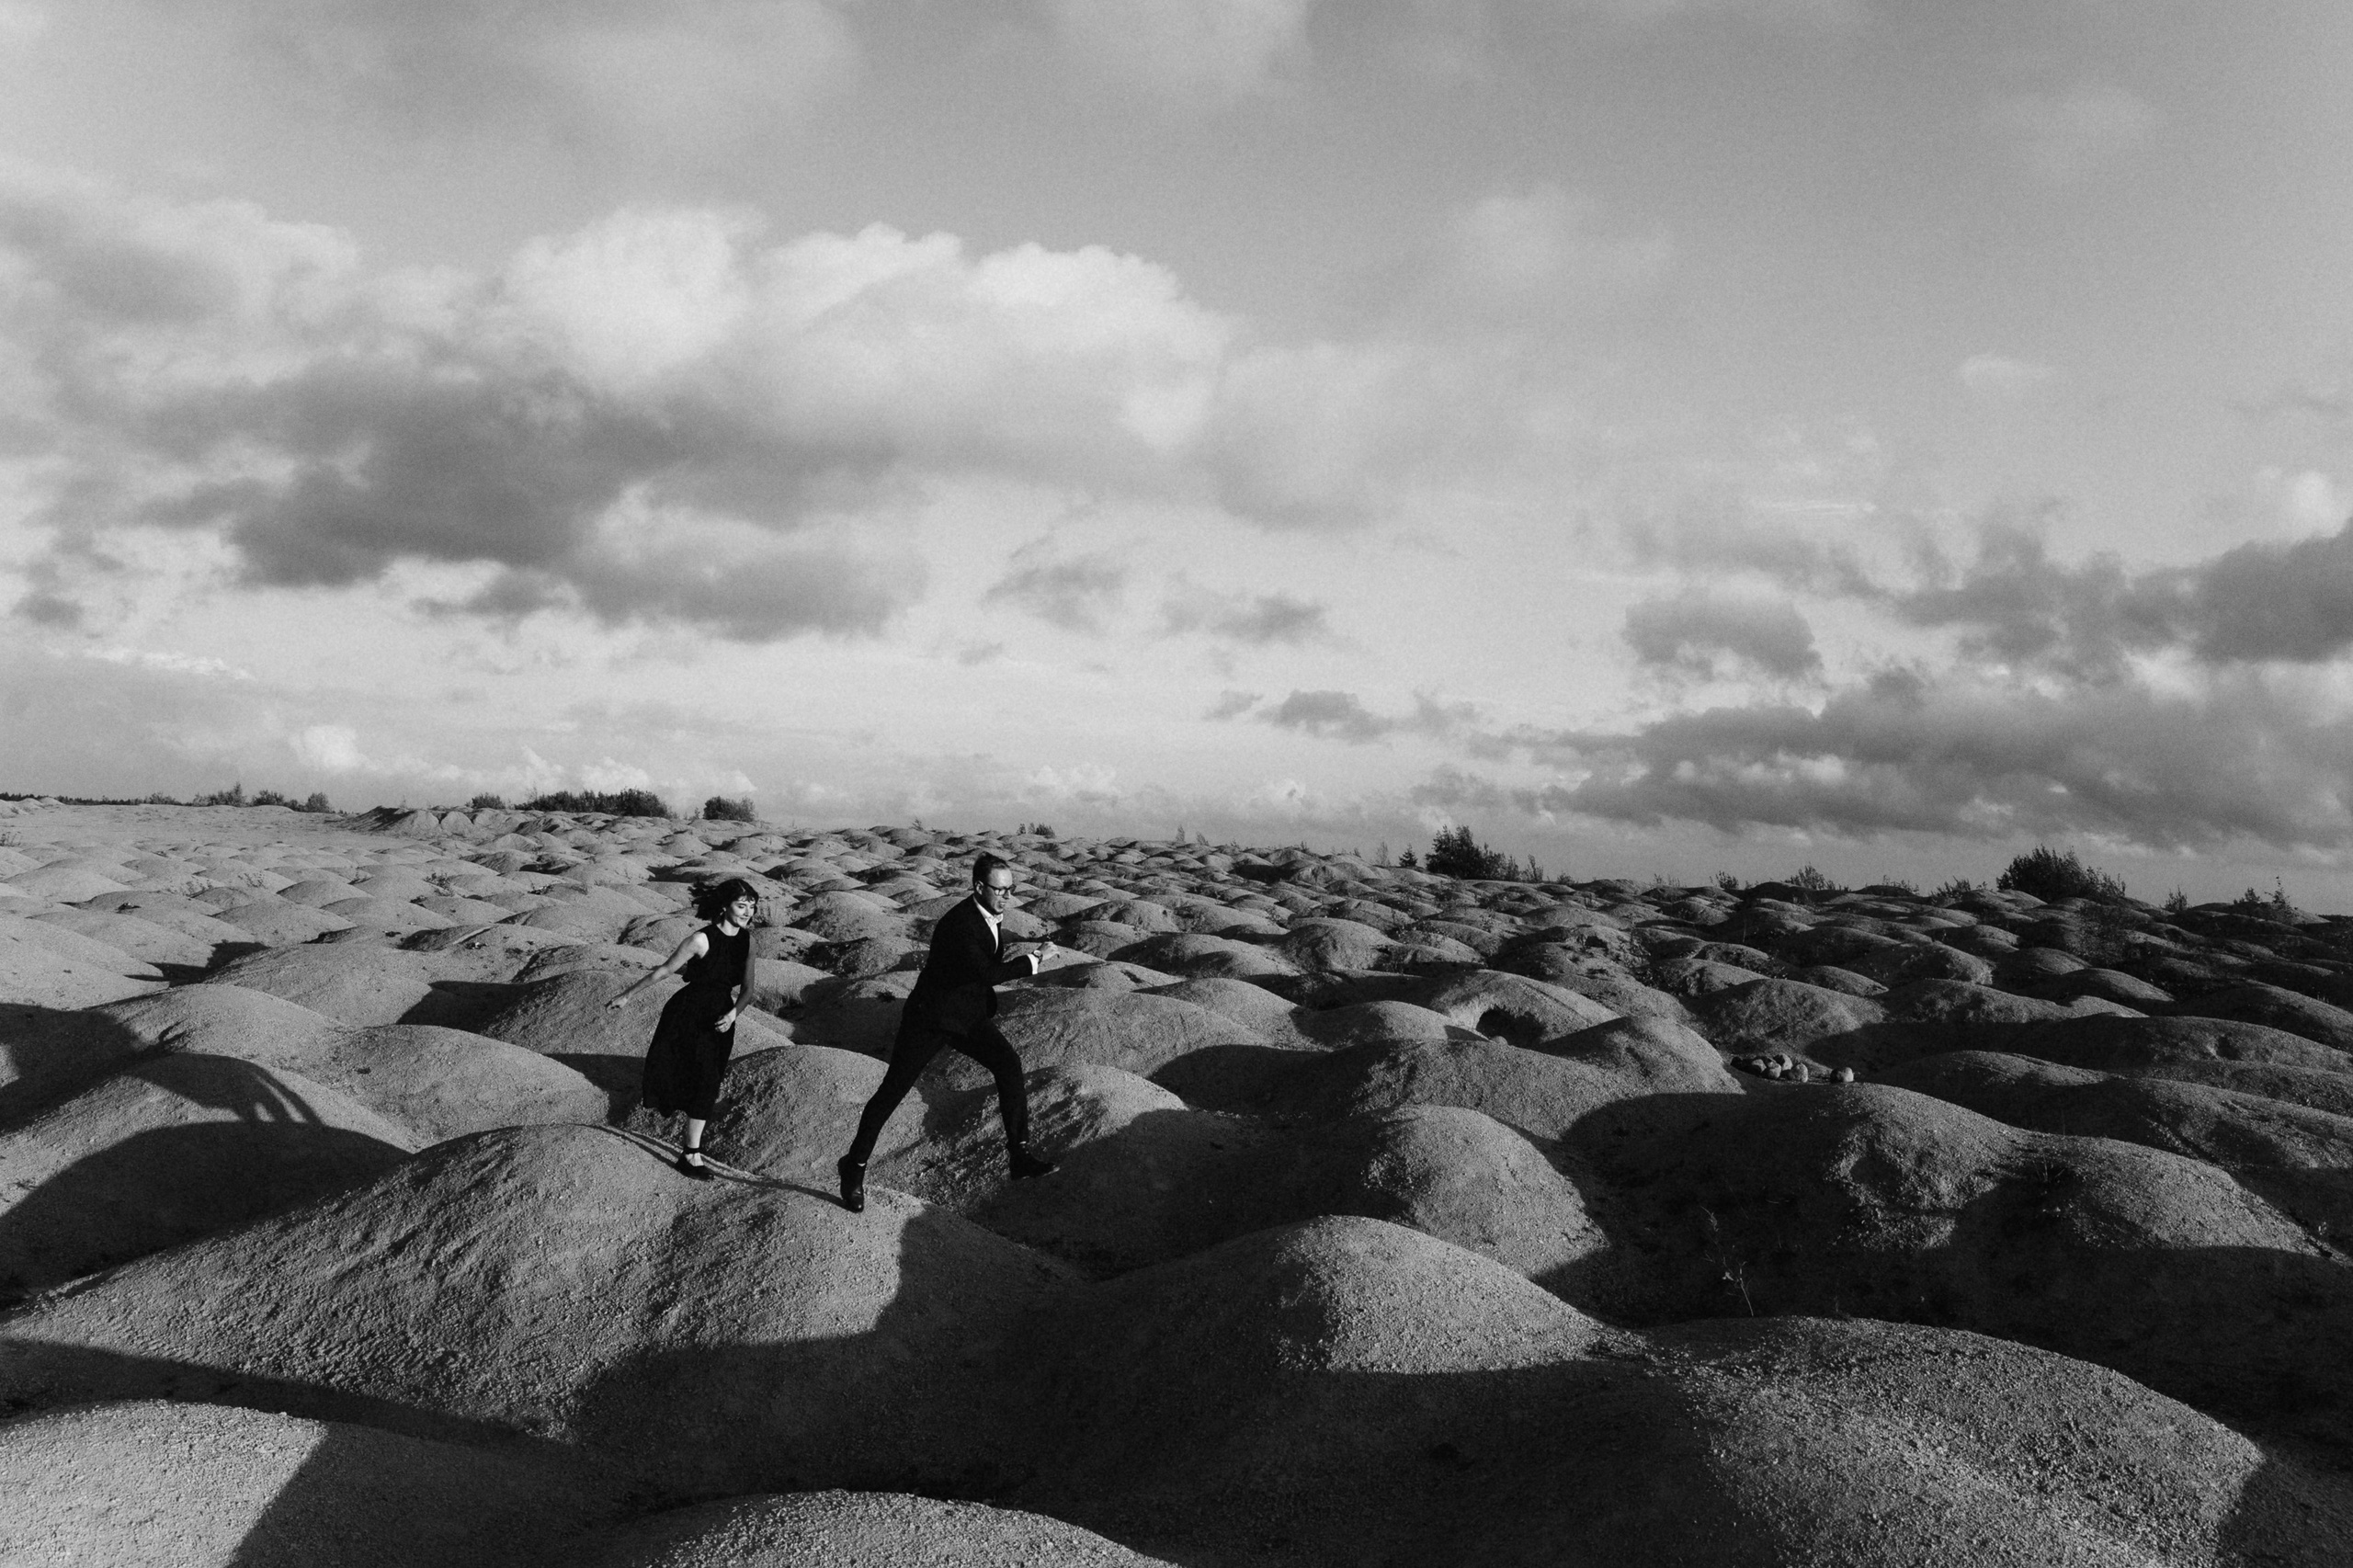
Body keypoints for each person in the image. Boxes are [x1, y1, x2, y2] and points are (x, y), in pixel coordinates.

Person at [836, 853, 1058, 1212]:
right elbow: (987, 972)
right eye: (1000, 889)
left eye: (1011, 889)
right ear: (979, 887)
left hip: (967, 1017)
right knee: (893, 1090)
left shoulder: (988, 914)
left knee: (1008, 1064)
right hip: (931, 1018)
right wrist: (1035, 958)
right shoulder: (959, 924)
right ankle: (854, 1166)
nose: (1006, 896)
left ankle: (1019, 1156)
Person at [607, 877, 759, 1180]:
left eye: (752, 907)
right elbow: (664, 970)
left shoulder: (748, 941)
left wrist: (733, 1014)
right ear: (724, 906)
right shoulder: (700, 939)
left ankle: (691, 1152)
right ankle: (691, 1154)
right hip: (687, 1015)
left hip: (721, 1019)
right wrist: (627, 995)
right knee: (700, 1079)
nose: (747, 913)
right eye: (741, 906)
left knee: (710, 1081)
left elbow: (749, 990)